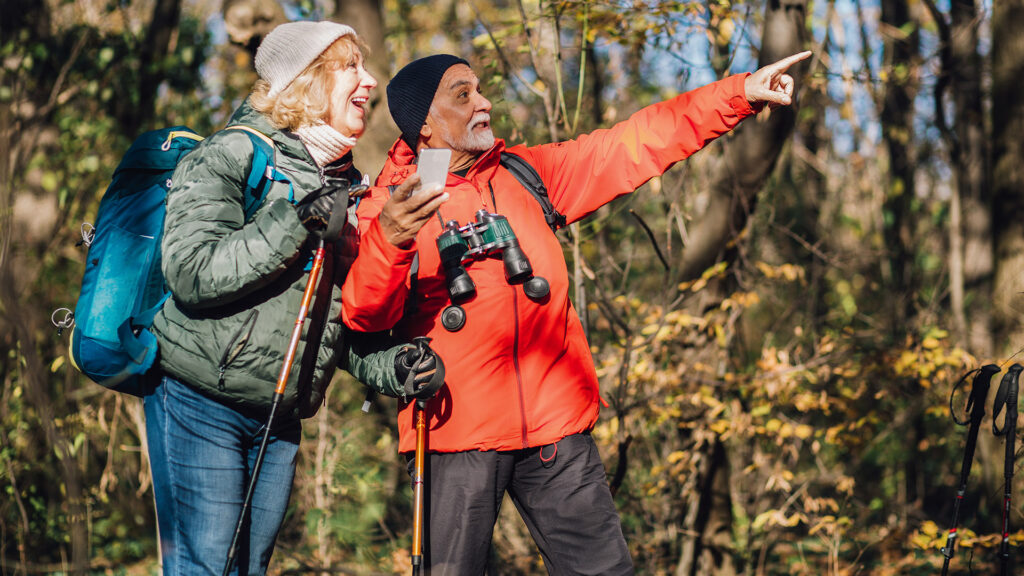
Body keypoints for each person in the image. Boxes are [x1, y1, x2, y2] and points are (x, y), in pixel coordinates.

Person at [341, 50, 812, 574]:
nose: (485, 102)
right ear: (423, 124)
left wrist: (739, 93)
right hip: (454, 433)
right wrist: (394, 237)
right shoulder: (387, 207)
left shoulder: (525, 174)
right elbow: (365, 314)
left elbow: (636, 142)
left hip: (556, 427)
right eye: (463, 94)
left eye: (479, 88)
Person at [144, 21, 442, 576]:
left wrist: (391, 367)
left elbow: (338, 319)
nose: (370, 80)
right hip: (198, 398)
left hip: (279, 416)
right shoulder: (232, 153)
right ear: (306, 81)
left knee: (249, 568)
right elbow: (190, 272)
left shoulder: (349, 185)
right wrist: (296, 220)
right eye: (351, 66)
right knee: (205, 566)